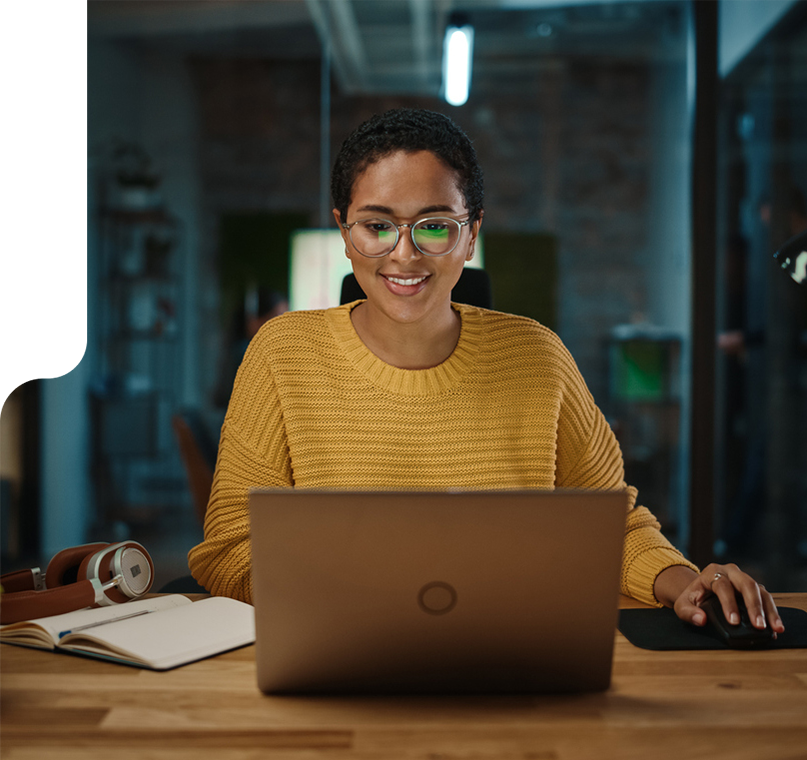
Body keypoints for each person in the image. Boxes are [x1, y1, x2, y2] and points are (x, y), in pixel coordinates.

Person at [189, 108, 783, 636]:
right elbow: (229, 550)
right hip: (338, 649)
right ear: (345, 231)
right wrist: (357, 597)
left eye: (434, 225)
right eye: (376, 226)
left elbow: (611, 525)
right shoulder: (281, 353)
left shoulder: (539, 358)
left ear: (471, 232)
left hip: (509, 653)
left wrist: (684, 582)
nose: (404, 253)